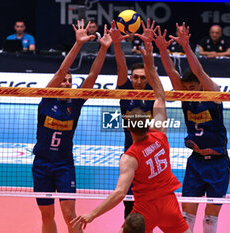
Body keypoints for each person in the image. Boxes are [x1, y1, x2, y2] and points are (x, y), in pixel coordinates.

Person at [71, 38, 191, 233]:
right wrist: (149, 60)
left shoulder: (129, 158)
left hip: (145, 205)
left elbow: (119, 192)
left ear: (127, 125)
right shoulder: (160, 135)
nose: (138, 80)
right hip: (168, 202)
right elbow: (161, 95)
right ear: (148, 122)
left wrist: (91, 214)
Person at [32, 19, 112, 233]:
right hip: (41, 164)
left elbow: (93, 76)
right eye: (64, 81)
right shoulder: (47, 100)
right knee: (46, 214)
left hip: (64, 165)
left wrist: (103, 49)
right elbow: (60, 71)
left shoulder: (75, 103)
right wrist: (78, 44)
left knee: (70, 215)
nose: (66, 83)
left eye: (70, 81)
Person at [154, 23, 229, 233]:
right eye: (186, 89)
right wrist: (162, 49)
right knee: (187, 215)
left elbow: (198, 70)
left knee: (210, 219)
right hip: (195, 162)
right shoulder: (185, 96)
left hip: (218, 164)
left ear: (201, 85)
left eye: (192, 88)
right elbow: (170, 70)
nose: (188, 92)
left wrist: (186, 47)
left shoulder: (212, 93)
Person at [108, 19, 154, 219]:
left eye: (142, 77)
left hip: (151, 155)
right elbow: (120, 65)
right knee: (129, 204)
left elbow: (152, 69)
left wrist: (150, 47)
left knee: (150, 205)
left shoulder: (153, 92)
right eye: (135, 77)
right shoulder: (125, 91)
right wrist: (117, 44)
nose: (138, 81)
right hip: (130, 155)